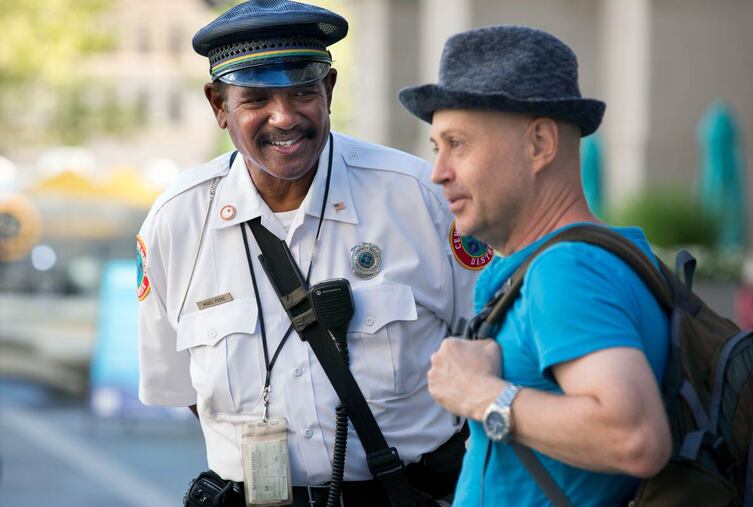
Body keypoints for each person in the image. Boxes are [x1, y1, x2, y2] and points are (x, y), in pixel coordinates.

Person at [137, 1, 488, 506]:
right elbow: (179, 389)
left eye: (303, 92)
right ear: (218, 105)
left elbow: (489, 350)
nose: (284, 118)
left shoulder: (420, 198)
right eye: (255, 98)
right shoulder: (177, 221)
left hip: (403, 494)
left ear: (328, 90)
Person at [399, 25, 672, 506]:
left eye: (457, 144)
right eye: (435, 148)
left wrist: (479, 394)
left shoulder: (566, 270)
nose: (438, 171)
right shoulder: (598, 257)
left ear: (540, 143)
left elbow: (635, 438)